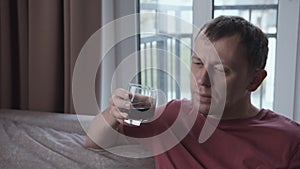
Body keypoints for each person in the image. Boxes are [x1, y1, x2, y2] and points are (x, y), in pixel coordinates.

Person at [85, 15, 300, 168]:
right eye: (197, 63)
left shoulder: (290, 140)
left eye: (220, 70)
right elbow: (95, 141)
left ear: (254, 80)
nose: (201, 80)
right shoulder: (173, 116)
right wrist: (114, 113)